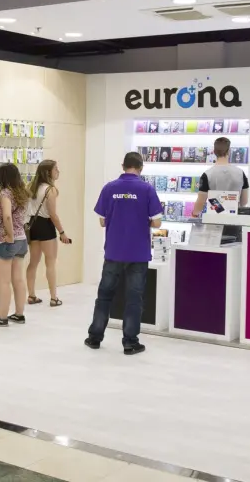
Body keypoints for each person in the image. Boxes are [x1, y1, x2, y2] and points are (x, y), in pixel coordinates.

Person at [86, 151, 163, 355]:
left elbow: (102, 221)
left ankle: (94, 337)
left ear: (123, 166)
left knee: (104, 295)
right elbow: (157, 222)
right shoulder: (147, 189)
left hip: (113, 250)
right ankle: (130, 342)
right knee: (134, 298)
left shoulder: (109, 188)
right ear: (141, 168)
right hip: (138, 252)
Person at [0, 163, 30, 327]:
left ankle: (2, 317)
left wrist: (9, 236)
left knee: (3, 281)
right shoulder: (22, 193)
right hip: (22, 239)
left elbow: (7, 216)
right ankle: (19, 314)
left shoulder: (5, 193)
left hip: (5, 240)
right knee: (18, 279)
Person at [26, 160, 72, 307]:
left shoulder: (31, 187)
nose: (58, 171)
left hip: (33, 225)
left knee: (33, 262)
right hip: (46, 226)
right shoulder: (50, 190)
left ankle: (31, 295)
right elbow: (52, 214)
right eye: (55, 169)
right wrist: (62, 232)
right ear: (48, 172)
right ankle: (53, 298)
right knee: (50, 263)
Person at [194, 136, 249, 215]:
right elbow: (244, 201)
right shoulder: (241, 173)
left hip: (215, 217)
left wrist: (194, 214)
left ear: (214, 151)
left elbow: (200, 202)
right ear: (229, 151)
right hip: (235, 218)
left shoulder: (207, 174)